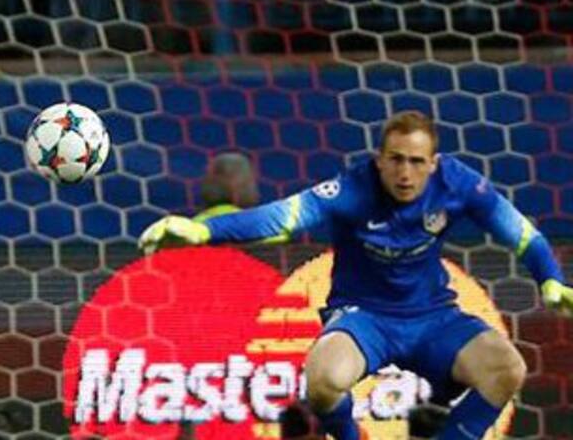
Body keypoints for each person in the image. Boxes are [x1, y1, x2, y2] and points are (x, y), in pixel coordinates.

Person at [139, 111, 573, 440]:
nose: (405, 172)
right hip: (364, 317)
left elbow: (522, 234)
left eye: (416, 161)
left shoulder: (459, 184)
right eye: (396, 160)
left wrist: (550, 280)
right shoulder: (352, 189)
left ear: (434, 163)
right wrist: (202, 230)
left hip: (434, 318)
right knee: (323, 381)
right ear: (379, 160)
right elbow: (283, 218)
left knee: (507, 370)